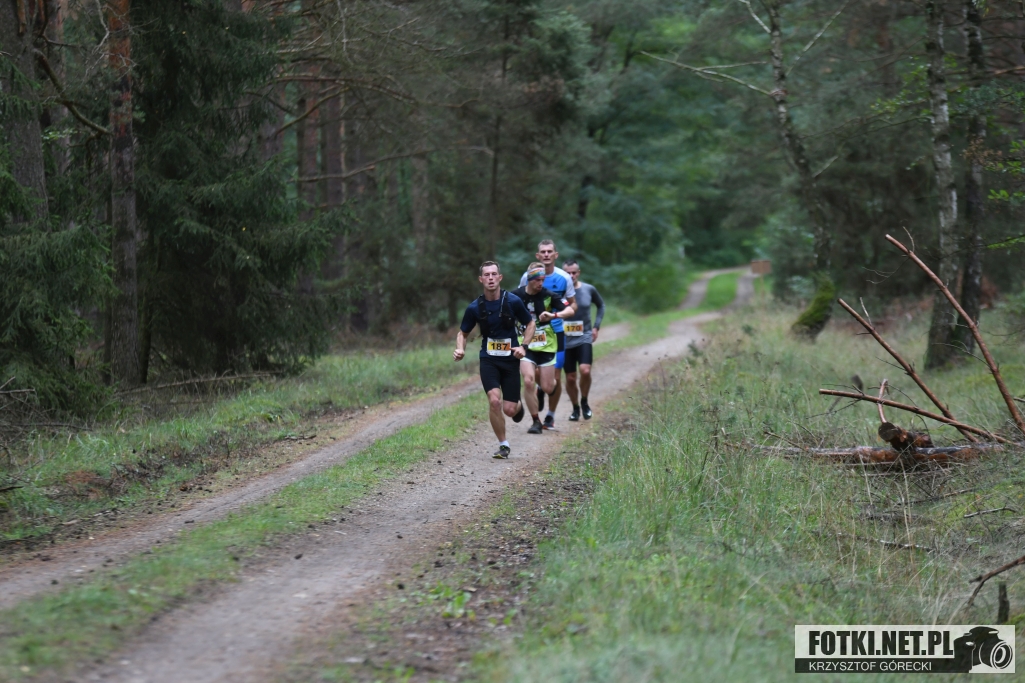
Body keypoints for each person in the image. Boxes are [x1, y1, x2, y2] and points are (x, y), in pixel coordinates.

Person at [454, 261, 535, 459]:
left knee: (509, 409)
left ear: (500, 277)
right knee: (494, 400)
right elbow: (463, 333)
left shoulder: (513, 301)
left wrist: (523, 347)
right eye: (486, 275)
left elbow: (530, 323)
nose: (490, 278)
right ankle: (503, 445)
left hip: (510, 359)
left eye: (493, 274)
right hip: (488, 359)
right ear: (481, 279)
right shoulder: (475, 307)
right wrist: (460, 348)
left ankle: (517, 405)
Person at [518, 239, 576, 430]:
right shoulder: (521, 287)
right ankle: (536, 420)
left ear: (555, 254)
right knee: (528, 379)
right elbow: (511, 308)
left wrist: (554, 315)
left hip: (552, 337)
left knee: (550, 384)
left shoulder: (561, 281)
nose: (546, 255)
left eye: (549, 251)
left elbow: (571, 307)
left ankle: (545, 397)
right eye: (543, 252)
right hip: (527, 340)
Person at [561, 259, 605, 421]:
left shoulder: (588, 289)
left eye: (574, 272)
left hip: (584, 336)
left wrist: (596, 327)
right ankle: (575, 408)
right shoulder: (558, 292)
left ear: (578, 273)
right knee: (570, 377)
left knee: (585, 371)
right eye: (568, 273)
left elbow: (601, 306)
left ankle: (584, 401)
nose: (571, 275)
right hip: (565, 340)